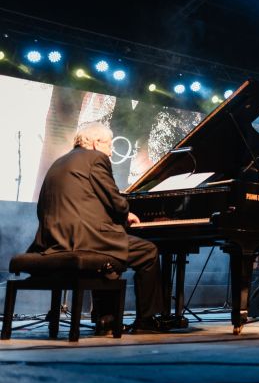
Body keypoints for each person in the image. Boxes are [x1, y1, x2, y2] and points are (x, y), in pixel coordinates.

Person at [28, 122, 165, 334]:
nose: (111, 152)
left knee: (111, 253)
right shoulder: (96, 159)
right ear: (94, 143)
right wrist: (125, 213)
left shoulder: (59, 162)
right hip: (84, 240)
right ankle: (146, 321)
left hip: (52, 242)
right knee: (148, 252)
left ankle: (106, 320)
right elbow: (116, 203)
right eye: (109, 145)